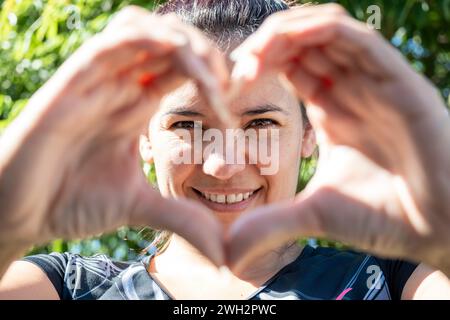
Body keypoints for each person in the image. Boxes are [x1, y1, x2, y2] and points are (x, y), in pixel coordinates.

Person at [0, 0, 449, 300]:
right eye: (187, 125)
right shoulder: (67, 289)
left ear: (310, 133)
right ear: (141, 136)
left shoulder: (393, 282)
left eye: (260, 124)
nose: (222, 164)